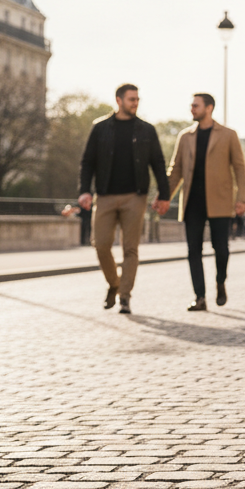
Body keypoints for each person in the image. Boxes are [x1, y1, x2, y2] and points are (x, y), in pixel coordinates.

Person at [78, 83, 171, 315]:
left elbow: (158, 163)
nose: (135, 103)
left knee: (131, 249)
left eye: (137, 99)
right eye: (131, 99)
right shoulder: (100, 128)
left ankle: (125, 296)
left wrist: (164, 194)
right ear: (118, 100)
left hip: (134, 197)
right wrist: (84, 190)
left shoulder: (146, 130)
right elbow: (87, 161)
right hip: (106, 196)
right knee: (100, 245)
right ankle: (114, 284)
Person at [167, 93, 245, 312]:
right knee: (193, 250)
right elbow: (175, 170)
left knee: (221, 249)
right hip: (192, 200)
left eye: (196, 105)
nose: (191, 109)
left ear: (209, 108)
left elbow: (240, 167)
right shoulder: (185, 137)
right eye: (191, 105)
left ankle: (220, 281)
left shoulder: (228, 135)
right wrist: (165, 197)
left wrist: (242, 198)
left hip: (220, 200)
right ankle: (200, 297)